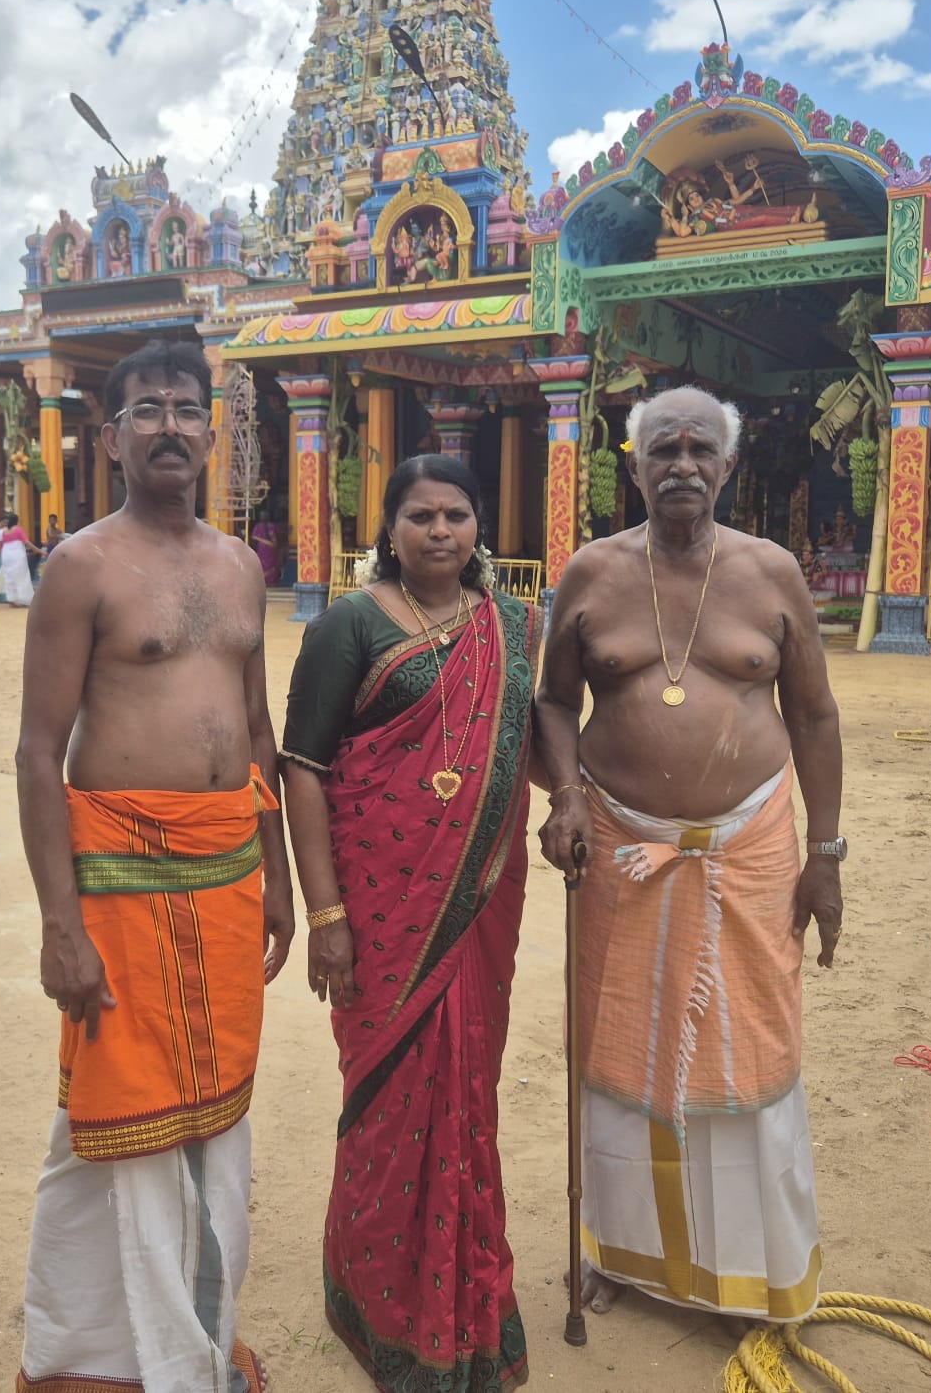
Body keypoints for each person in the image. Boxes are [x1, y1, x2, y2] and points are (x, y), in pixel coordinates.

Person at [15, 338, 293, 1393]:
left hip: (226, 875)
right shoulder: (81, 567)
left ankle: (197, 1339)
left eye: (184, 408)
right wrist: (60, 925)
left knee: (216, 1108)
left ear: (210, 435)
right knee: (115, 1117)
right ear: (111, 437)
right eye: (146, 410)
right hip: (120, 881)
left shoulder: (241, 566)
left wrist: (278, 877)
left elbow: (258, 730)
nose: (168, 425)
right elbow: (37, 751)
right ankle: (100, 1359)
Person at [534, 385, 843, 1326]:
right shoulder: (591, 574)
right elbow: (554, 702)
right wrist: (568, 797)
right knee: (618, 1041)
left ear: (728, 465)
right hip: (620, 847)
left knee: (751, 1049)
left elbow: (814, 716)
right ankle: (622, 1253)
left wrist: (826, 854)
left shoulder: (771, 573)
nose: (682, 465)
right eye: (662, 449)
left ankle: (751, 1272)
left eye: (700, 449)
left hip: (750, 848)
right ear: (633, 466)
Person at [281, 455, 539, 1392]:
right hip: (380, 904)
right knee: (390, 1092)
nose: (440, 531)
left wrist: (579, 802)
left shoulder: (513, 626)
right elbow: (303, 767)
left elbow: (537, 732)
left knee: (468, 1090)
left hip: (476, 901)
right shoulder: (348, 624)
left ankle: (467, 1302)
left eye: (456, 515)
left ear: (478, 528)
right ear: (388, 530)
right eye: (421, 516)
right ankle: (379, 1299)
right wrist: (327, 916)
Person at [0, 509, 39, 608]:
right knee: (22, 576)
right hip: (17, 554)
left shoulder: (3, 532)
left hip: (6, 554)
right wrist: (38, 550)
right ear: (17, 521)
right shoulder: (18, 529)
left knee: (9, 577)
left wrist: (3, 554)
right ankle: (24, 599)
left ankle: (12, 599)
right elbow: (26, 542)